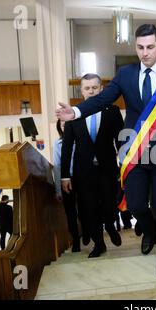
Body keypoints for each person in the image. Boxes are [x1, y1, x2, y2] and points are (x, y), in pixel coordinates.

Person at [56, 24, 156, 275]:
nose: (145, 53)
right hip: (135, 153)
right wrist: (74, 112)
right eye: (140, 47)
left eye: (150, 47)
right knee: (137, 205)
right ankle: (148, 231)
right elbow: (102, 99)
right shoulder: (125, 74)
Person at [61, 73, 124, 258]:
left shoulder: (113, 111)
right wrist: (65, 175)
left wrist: (124, 165)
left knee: (109, 204)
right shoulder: (73, 114)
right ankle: (99, 244)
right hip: (83, 172)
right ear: (82, 91)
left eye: (94, 88)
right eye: (87, 88)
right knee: (89, 209)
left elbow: (120, 141)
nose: (91, 91)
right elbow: (66, 147)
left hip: (108, 168)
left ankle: (111, 226)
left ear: (101, 89)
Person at [53, 119, 85, 253]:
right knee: (70, 213)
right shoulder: (58, 143)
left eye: (68, 123)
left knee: (85, 210)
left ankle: (87, 232)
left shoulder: (81, 140)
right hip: (67, 181)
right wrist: (58, 190)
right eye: (63, 125)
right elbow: (57, 166)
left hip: (82, 178)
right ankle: (76, 241)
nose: (66, 126)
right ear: (60, 127)